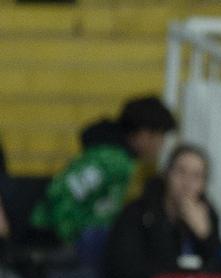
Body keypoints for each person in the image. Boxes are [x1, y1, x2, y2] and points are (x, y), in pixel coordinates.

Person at [31, 96, 177, 246]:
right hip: (56, 242)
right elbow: (62, 193)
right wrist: (68, 241)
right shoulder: (110, 161)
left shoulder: (122, 161)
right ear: (144, 134)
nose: (162, 145)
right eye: (160, 137)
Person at [105, 144, 221, 278]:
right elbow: (126, 270)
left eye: (197, 176)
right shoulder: (138, 212)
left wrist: (205, 237)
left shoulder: (207, 215)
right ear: (167, 173)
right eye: (181, 172)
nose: (187, 182)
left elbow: (220, 272)